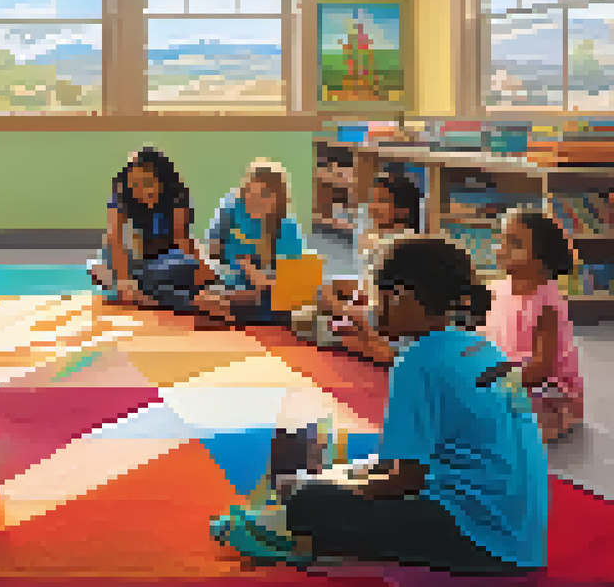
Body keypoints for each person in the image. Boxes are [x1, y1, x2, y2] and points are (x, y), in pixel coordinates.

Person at [279, 236, 548, 576]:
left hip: (482, 540)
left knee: (309, 503)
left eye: (377, 295)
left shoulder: (415, 364)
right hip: (524, 534)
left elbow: (404, 479)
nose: (373, 307)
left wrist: (340, 488)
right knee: (350, 472)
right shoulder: (482, 346)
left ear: (400, 296)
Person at [483, 208, 584, 443]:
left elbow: (541, 368)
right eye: (501, 240)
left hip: (545, 387)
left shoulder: (546, 303)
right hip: (506, 376)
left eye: (515, 244)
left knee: (513, 412)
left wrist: (497, 381)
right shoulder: (496, 290)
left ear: (541, 260)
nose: (501, 250)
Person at [87, 147, 216, 313]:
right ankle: (144, 294)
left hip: (164, 261)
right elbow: (115, 238)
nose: (139, 190)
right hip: (132, 260)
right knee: (96, 267)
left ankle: (135, 293)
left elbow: (182, 238)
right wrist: (125, 280)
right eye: (135, 184)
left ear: (161, 181)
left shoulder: (176, 194)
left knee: (188, 269)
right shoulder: (120, 191)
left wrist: (201, 267)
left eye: (147, 184)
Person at [317, 168, 423, 362]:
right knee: (325, 290)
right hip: (375, 311)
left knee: (328, 322)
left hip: (391, 318)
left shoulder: (400, 244)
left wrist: (345, 309)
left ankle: (357, 338)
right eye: (372, 200)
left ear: (403, 210)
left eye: (381, 201)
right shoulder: (380, 240)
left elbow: (387, 302)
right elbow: (368, 284)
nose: (372, 207)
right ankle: (350, 334)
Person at [197, 160, 309, 327]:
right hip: (233, 283)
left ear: (278, 199)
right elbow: (213, 249)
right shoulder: (231, 208)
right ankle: (228, 310)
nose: (254, 200)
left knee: (276, 303)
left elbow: (294, 284)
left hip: (268, 292)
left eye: (263, 194)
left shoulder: (287, 228)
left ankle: (231, 312)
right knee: (204, 298)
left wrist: (260, 278)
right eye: (249, 192)